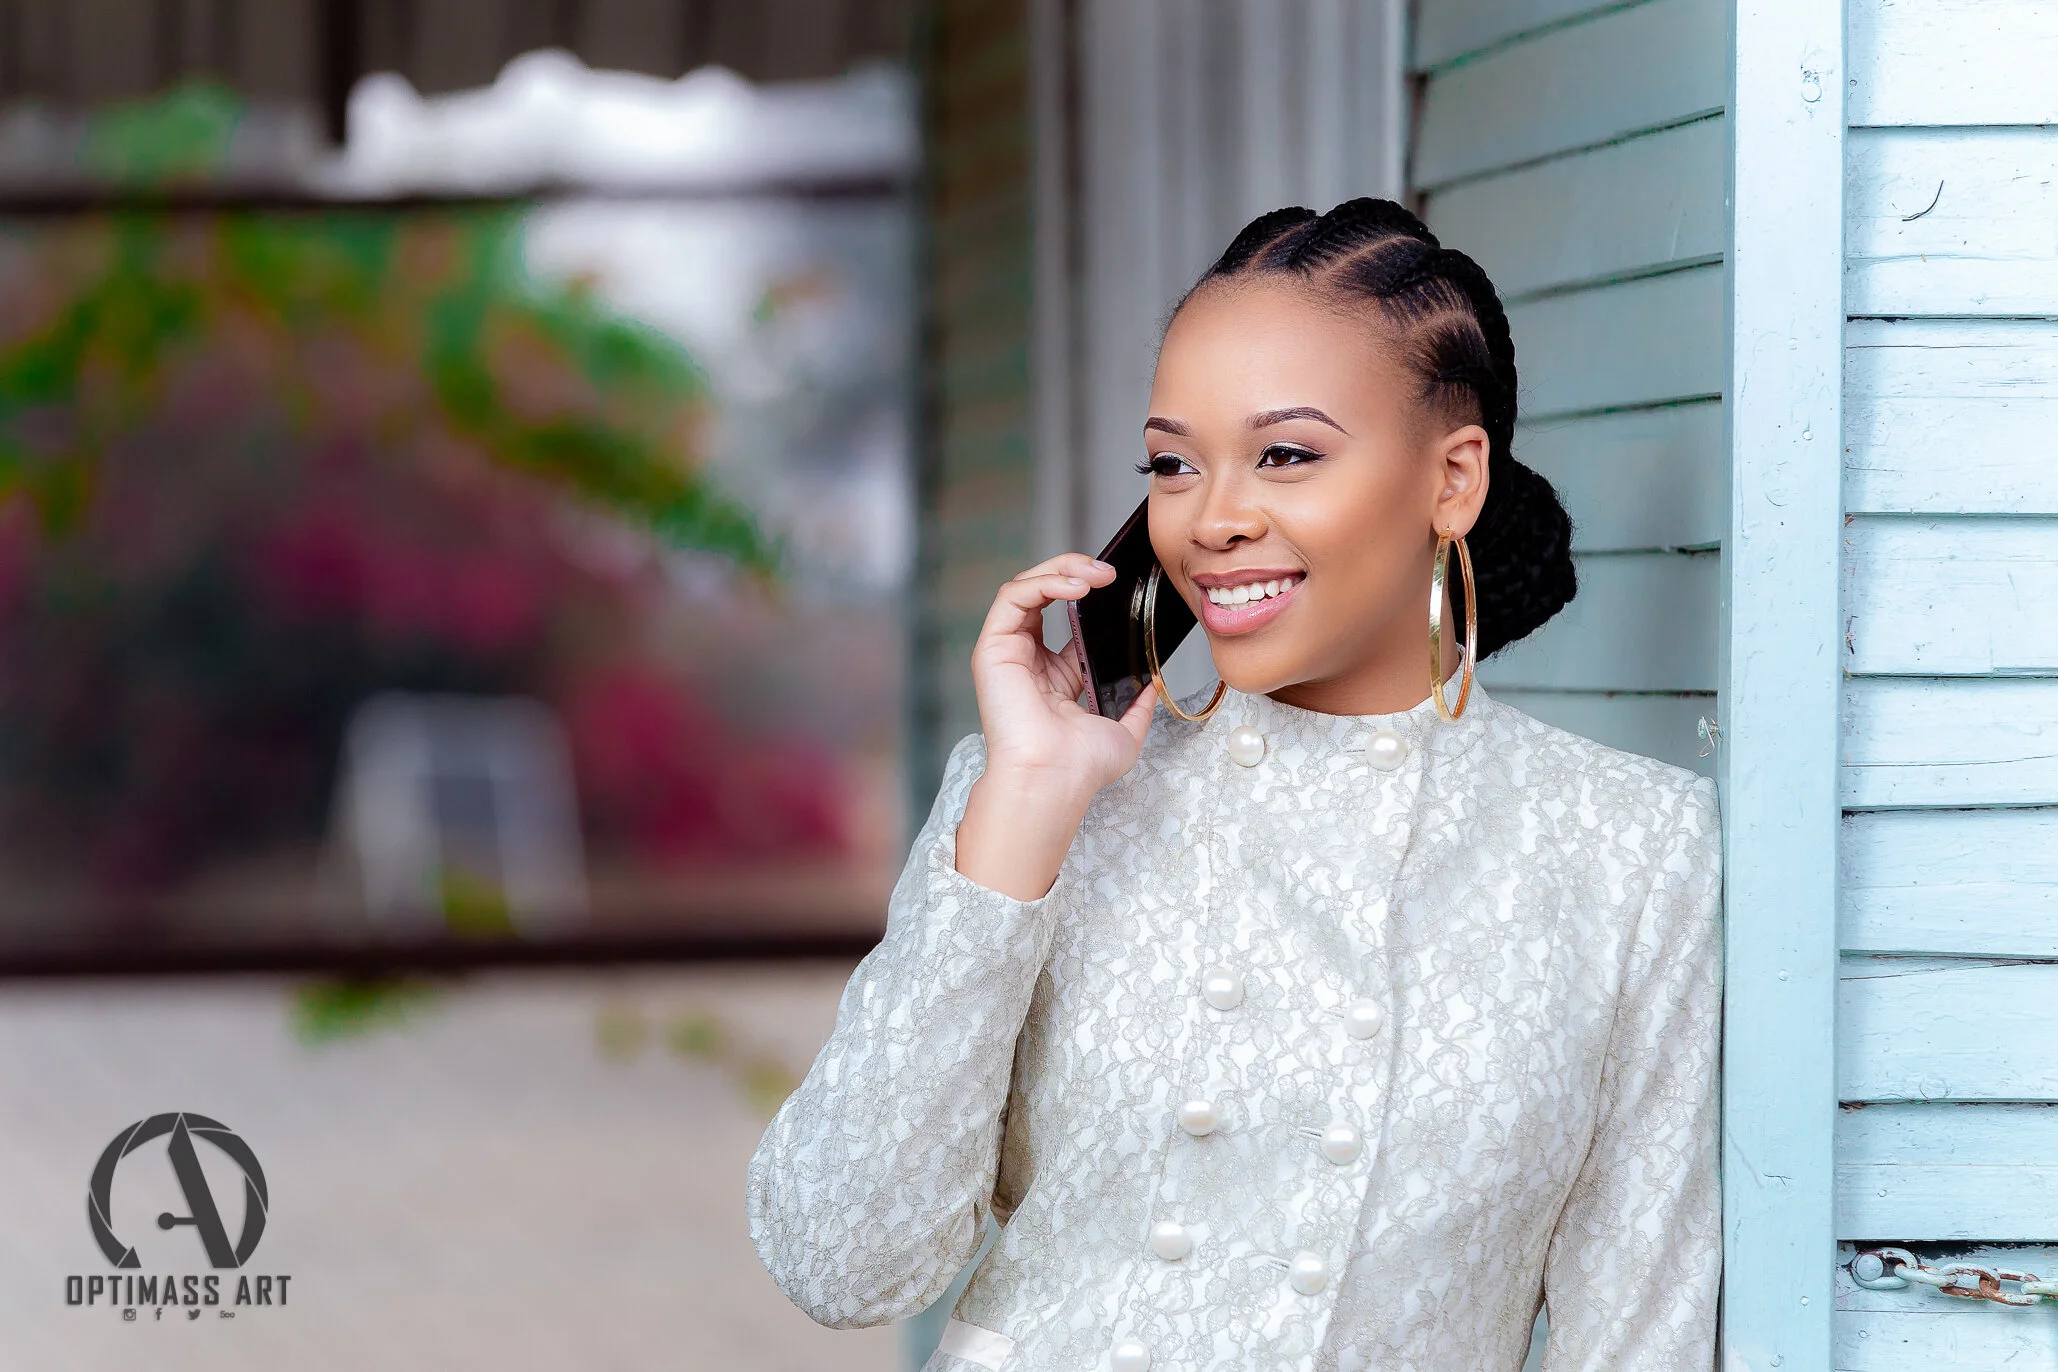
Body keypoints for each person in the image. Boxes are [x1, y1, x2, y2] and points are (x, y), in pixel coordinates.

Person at [746, 198, 1720, 1371]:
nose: (1213, 519)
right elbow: (841, 1263)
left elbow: (1639, 1332)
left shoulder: (1632, 851)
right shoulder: (1035, 799)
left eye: (1287, 454)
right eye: (1173, 464)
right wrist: (1021, 813)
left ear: (1453, 480)